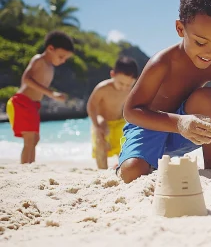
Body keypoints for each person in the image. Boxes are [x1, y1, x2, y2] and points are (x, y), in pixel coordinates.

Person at [118, 0, 211, 183]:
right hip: (151, 126)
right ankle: (134, 159)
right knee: (131, 172)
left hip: (190, 130)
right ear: (180, 29)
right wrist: (179, 123)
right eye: (201, 42)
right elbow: (130, 112)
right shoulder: (162, 63)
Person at [6, 30, 74, 164]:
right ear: (50, 48)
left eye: (65, 58)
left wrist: (53, 95)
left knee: (35, 138)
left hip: (33, 104)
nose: (63, 60)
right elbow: (26, 79)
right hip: (23, 102)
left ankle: (30, 165)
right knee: (29, 139)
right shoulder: (39, 59)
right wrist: (51, 93)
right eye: (61, 56)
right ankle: (25, 168)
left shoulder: (51, 67)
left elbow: (40, 86)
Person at [86, 56, 139, 169]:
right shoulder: (103, 88)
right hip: (102, 120)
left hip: (119, 121)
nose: (124, 88)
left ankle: (121, 166)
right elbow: (91, 106)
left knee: (125, 145)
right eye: (121, 83)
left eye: (128, 85)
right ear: (112, 75)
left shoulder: (130, 91)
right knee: (101, 140)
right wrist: (96, 125)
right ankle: (103, 171)